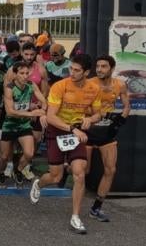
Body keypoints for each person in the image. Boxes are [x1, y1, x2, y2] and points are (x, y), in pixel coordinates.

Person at [31, 52, 100, 233]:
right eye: (71, 68)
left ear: (86, 73)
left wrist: (90, 120)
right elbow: (51, 116)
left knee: (79, 173)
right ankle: (39, 184)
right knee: (56, 176)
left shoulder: (93, 89)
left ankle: (75, 217)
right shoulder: (60, 86)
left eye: (77, 70)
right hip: (59, 130)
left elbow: (98, 113)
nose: (72, 72)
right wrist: (72, 129)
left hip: (76, 133)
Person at [87, 54, 130, 223]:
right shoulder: (90, 83)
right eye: (97, 66)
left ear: (112, 69)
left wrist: (121, 120)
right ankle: (64, 168)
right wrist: (101, 114)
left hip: (107, 133)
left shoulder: (119, 85)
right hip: (89, 130)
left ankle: (96, 208)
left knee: (110, 170)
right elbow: (83, 105)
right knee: (84, 171)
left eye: (103, 66)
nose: (99, 69)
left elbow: (127, 105)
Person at [0, 60, 46, 185]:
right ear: (15, 74)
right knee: (3, 156)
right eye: (21, 73)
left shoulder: (31, 85)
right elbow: (10, 112)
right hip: (9, 125)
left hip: (24, 124)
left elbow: (43, 100)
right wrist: (31, 113)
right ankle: (1, 172)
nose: (25, 76)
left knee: (29, 154)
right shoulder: (9, 88)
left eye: (27, 73)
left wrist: (42, 111)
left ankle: (18, 170)